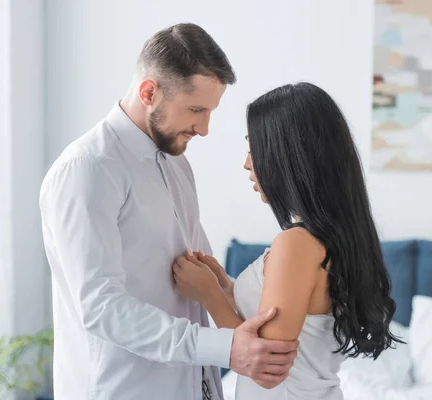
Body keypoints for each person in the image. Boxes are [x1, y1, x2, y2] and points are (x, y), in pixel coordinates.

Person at [39, 23, 298, 400]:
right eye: (196, 110)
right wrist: (226, 348)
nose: (205, 129)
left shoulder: (176, 163)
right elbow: (101, 308)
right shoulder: (88, 169)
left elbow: (196, 275)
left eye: (210, 111)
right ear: (149, 92)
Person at [173, 82, 403, 399]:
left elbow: (268, 369)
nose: (247, 163)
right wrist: (229, 290)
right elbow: (280, 329)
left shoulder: (297, 244)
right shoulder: (327, 238)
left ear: (288, 156)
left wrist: (209, 295)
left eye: (254, 149)